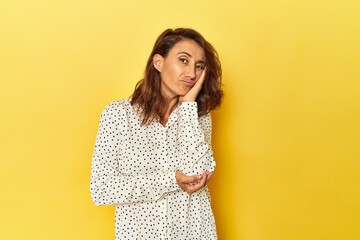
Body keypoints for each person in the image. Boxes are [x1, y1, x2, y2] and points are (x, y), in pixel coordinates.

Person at [90, 27, 224, 239]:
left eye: (199, 66)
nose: (191, 74)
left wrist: (188, 107)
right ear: (158, 62)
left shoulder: (198, 117)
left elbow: (197, 175)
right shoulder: (118, 114)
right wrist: (171, 180)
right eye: (183, 60)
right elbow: (102, 188)